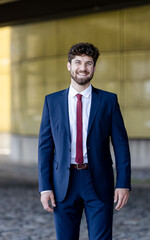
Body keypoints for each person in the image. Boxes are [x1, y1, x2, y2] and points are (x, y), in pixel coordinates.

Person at [38, 42, 131, 240]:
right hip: (64, 183)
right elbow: (45, 148)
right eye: (78, 62)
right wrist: (45, 187)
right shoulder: (51, 102)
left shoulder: (108, 101)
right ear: (69, 65)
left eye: (89, 63)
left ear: (94, 68)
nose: (83, 68)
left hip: (98, 181)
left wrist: (123, 183)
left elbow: (121, 145)